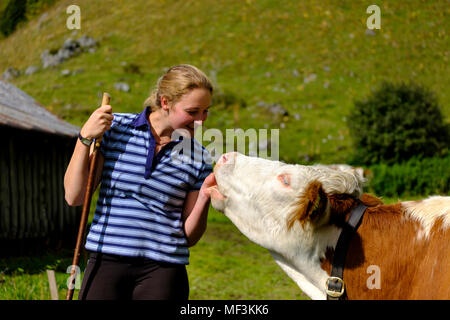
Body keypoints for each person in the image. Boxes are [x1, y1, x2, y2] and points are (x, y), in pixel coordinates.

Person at [64, 64, 216, 300]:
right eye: (193, 111)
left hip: (163, 269)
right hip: (106, 259)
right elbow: (74, 196)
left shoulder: (199, 156)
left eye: (205, 111)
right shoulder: (115, 129)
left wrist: (205, 196)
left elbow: (190, 237)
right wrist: (84, 138)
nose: (200, 120)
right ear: (166, 102)